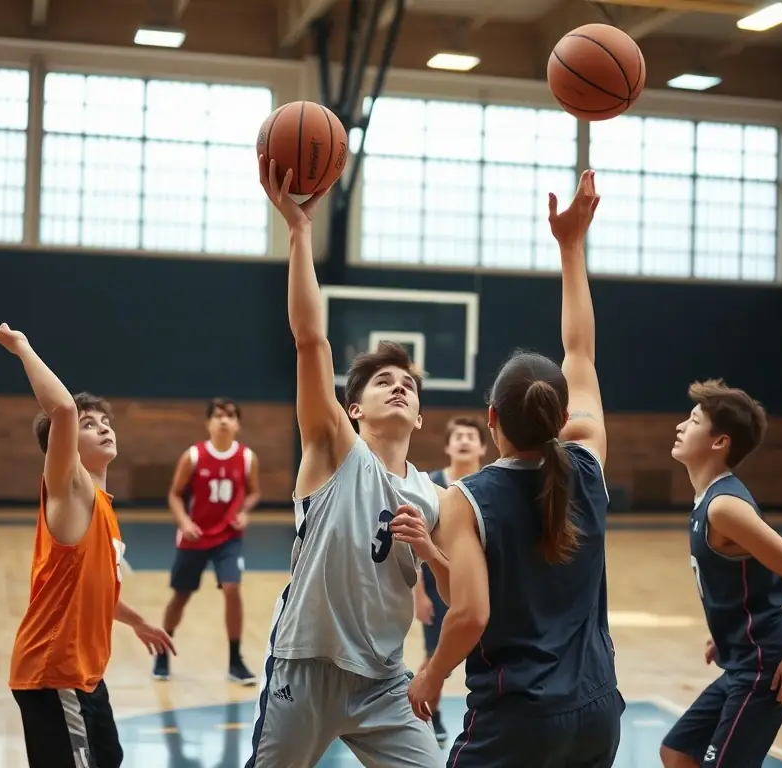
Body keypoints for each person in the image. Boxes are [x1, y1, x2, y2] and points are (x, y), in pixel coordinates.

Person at [408, 170, 625, 768]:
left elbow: (472, 613)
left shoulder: (466, 498)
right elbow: (579, 350)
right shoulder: (588, 459)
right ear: (561, 417)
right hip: (597, 709)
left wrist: (430, 674)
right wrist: (572, 248)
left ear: (490, 419)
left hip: (518, 718)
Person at [244, 157, 446, 768]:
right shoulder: (334, 449)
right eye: (382, 381)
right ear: (351, 410)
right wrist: (300, 233)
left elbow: (466, 596)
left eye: (408, 384)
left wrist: (434, 555)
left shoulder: (437, 498)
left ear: (419, 418)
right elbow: (311, 339)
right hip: (304, 668)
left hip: (384, 681)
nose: (399, 386)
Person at [0, 320, 174, 768]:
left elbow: (96, 589)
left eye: (106, 421)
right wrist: (22, 347)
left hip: (84, 675)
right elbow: (61, 409)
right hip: (52, 672)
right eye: (90, 425)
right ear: (63, 447)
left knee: (110, 758)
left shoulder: (104, 509)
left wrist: (137, 620)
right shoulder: (71, 490)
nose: (104, 428)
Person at [660, 379, 782, 768]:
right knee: (677, 751)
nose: (680, 426)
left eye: (693, 421)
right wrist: (724, 631)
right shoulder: (709, 499)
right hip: (742, 655)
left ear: (719, 442)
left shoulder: (724, 506)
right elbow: (743, 576)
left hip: (765, 665)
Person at [153, 397, 260, 685]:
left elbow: (253, 493)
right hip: (195, 536)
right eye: (218, 415)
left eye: (230, 416)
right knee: (181, 597)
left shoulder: (247, 458)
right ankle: (162, 651)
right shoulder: (193, 456)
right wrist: (185, 523)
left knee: (232, 588)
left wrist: (245, 512)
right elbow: (174, 494)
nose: (223, 420)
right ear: (208, 423)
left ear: (237, 424)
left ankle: (235, 661)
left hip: (228, 536)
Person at [414, 416, 487, 743]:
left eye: (471, 436)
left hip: (479, 582)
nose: (464, 441)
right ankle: (429, 714)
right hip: (437, 581)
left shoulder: (490, 484)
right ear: (447, 446)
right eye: (457, 436)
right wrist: (419, 593)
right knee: (436, 656)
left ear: (483, 446)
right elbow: (414, 543)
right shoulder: (431, 485)